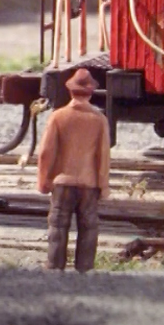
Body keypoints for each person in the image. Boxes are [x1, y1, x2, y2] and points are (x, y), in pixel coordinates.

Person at [37, 68, 111, 272]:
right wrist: (103, 186)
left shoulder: (58, 117)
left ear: (70, 91)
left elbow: (45, 152)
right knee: (89, 228)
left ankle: (54, 267)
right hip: (89, 184)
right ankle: (84, 269)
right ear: (90, 92)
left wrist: (43, 180)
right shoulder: (99, 120)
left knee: (58, 227)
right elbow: (103, 157)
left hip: (62, 183)